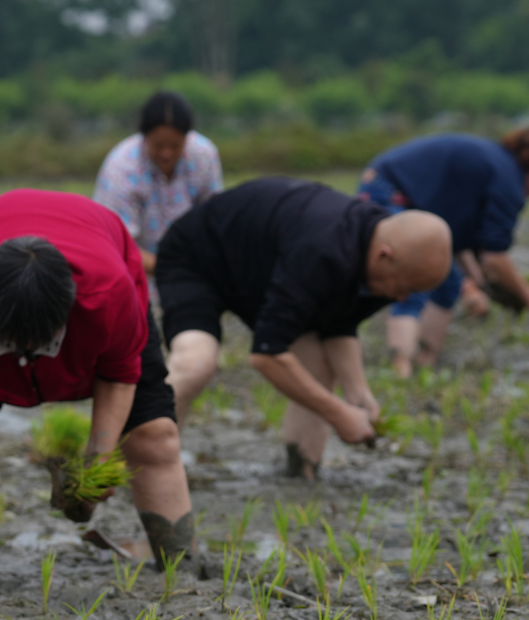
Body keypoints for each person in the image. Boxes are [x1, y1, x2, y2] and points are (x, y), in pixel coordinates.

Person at [0, 189, 194, 570]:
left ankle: (181, 566)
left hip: (103, 284)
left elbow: (118, 376)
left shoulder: (109, 293)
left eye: (43, 340)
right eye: (17, 342)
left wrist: (95, 469)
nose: (31, 351)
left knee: (153, 436)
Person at [158, 177, 452, 480]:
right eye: (404, 288)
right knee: (196, 362)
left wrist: (358, 392)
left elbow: (338, 323)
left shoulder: (380, 262)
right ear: (384, 255)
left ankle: (302, 473)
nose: (402, 298)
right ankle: (148, 458)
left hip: (261, 272)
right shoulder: (321, 251)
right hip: (197, 259)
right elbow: (267, 355)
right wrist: (338, 413)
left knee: (318, 364)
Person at [357, 127, 529, 377]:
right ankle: (400, 367)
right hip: (390, 190)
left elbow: (458, 242)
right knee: (411, 275)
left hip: (404, 193)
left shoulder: (495, 166)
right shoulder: (508, 179)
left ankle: (425, 362)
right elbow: (495, 256)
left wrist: (473, 285)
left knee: (449, 283)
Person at [93, 90, 223, 276]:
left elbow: (213, 219)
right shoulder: (122, 168)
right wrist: (173, 270)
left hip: (192, 271)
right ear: (145, 137)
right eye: (158, 145)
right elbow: (118, 244)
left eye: (175, 145)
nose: (166, 153)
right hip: (134, 273)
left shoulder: (204, 156)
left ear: (187, 137)